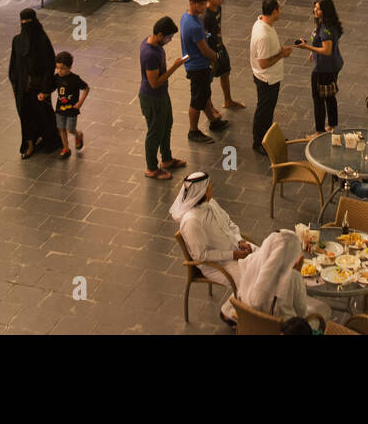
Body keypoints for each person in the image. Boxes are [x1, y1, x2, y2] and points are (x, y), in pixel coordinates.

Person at [170, 172, 254, 321]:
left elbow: (229, 223)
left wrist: (240, 241)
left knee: (265, 258)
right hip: (217, 264)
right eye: (209, 187)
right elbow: (201, 256)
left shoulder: (211, 203)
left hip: (234, 248)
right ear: (202, 192)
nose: (212, 189)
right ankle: (229, 313)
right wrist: (233, 255)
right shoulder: (192, 221)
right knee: (252, 281)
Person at [236, 230, 329, 322]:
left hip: (249, 322)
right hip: (281, 328)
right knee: (324, 308)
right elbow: (301, 312)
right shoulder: (293, 277)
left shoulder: (251, 260)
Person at [139, 16, 188, 180]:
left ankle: (166, 159)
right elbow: (154, 82)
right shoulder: (150, 54)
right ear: (160, 35)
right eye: (168, 37)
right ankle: (151, 168)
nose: (169, 40)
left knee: (166, 125)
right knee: (155, 132)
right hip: (153, 98)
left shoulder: (153, 43)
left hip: (162, 95)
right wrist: (174, 67)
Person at [180, 0, 229, 145]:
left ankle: (213, 122)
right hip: (197, 66)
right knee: (197, 100)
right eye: (200, 5)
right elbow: (204, 49)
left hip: (197, 64)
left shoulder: (186, 17)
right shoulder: (194, 25)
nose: (203, 7)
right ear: (192, 3)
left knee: (204, 95)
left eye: (204, 3)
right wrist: (215, 57)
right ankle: (193, 131)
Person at [8, 9, 60, 158]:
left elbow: (49, 66)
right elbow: (13, 65)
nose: (26, 26)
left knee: (43, 114)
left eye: (28, 23)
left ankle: (48, 140)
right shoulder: (17, 41)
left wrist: (45, 90)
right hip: (22, 88)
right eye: (23, 23)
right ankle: (29, 143)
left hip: (38, 88)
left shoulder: (42, 41)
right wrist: (15, 86)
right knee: (25, 116)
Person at [250, 0, 294, 155]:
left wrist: (278, 50)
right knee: (264, 111)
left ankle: (268, 138)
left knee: (267, 110)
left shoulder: (261, 22)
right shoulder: (264, 35)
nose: (281, 12)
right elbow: (263, 63)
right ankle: (259, 142)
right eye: (279, 9)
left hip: (268, 77)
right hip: (267, 78)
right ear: (274, 12)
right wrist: (281, 54)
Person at [298, 0, 344, 133]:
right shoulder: (330, 24)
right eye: (315, 7)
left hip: (324, 69)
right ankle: (332, 124)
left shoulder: (325, 29)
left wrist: (307, 47)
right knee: (330, 95)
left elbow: (327, 50)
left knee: (318, 99)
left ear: (325, 11)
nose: (315, 10)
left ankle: (319, 131)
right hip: (333, 65)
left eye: (318, 8)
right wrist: (314, 50)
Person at [203, 0, 244, 114]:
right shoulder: (206, 15)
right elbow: (206, 35)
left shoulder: (218, 9)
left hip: (220, 46)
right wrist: (211, 56)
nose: (220, 0)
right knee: (207, 81)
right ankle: (210, 107)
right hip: (211, 50)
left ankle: (228, 100)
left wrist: (220, 41)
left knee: (225, 72)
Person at [46, 51, 92, 159]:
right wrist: (44, 94)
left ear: (69, 67)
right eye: (57, 68)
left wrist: (80, 103)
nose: (59, 71)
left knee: (70, 129)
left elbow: (86, 88)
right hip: (60, 108)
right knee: (61, 128)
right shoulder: (56, 77)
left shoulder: (75, 79)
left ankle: (78, 135)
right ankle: (66, 148)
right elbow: (51, 88)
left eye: (62, 68)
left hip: (72, 109)